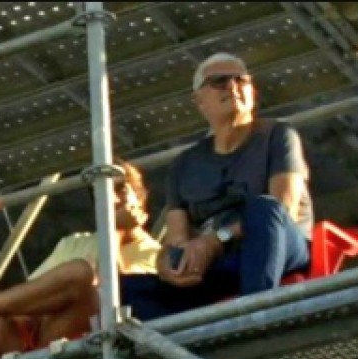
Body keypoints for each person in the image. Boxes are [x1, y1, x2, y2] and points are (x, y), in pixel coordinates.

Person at [120, 52, 314, 320]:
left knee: (264, 208)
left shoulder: (278, 135)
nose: (233, 87)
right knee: (124, 290)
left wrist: (214, 241)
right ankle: (176, 352)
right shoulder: (183, 164)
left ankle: (257, 318)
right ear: (199, 100)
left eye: (241, 80)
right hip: (218, 263)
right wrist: (168, 264)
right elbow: (176, 236)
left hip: (275, 246)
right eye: (220, 81)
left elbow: (284, 210)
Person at [0, 159, 160, 359]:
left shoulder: (156, 254)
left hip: (89, 337)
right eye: (103, 195)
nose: (112, 201)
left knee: (81, 271)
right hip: (40, 333)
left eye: (120, 191)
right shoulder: (74, 242)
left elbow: (119, 300)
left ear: (140, 199)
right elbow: (30, 296)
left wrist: (114, 231)